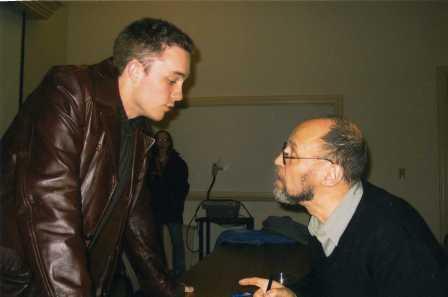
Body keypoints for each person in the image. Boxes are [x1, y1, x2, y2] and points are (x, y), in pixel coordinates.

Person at [0, 18, 194, 297]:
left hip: (60, 278)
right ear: (136, 70)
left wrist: (164, 288)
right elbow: (49, 208)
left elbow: (135, 216)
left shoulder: (137, 128)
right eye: (173, 80)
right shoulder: (69, 90)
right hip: (14, 279)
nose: (180, 95)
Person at [239, 117, 447, 297]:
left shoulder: (395, 236)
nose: (277, 160)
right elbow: (324, 285)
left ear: (330, 174)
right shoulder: (326, 221)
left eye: (290, 154)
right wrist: (293, 293)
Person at [146, 130, 189, 279]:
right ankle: (161, 273)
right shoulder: (149, 162)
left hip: (173, 207)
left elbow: (183, 186)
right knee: (157, 242)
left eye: (165, 139)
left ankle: (180, 273)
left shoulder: (178, 162)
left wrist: (177, 202)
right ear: (155, 142)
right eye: (159, 139)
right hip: (155, 207)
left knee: (177, 241)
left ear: (170, 142)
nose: (162, 142)